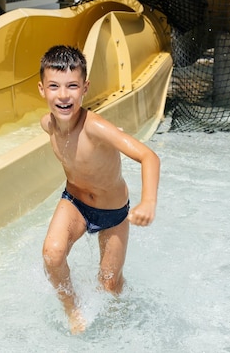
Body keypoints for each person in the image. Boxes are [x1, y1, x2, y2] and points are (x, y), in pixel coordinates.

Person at [37, 45, 160, 334]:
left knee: (109, 283)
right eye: (54, 86)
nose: (63, 95)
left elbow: (148, 156)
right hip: (75, 202)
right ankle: (74, 313)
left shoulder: (96, 127)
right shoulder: (48, 125)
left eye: (72, 86)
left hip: (113, 212)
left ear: (85, 88)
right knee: (52, 255)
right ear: (42, 89)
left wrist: (148, 202)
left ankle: (121, 321)